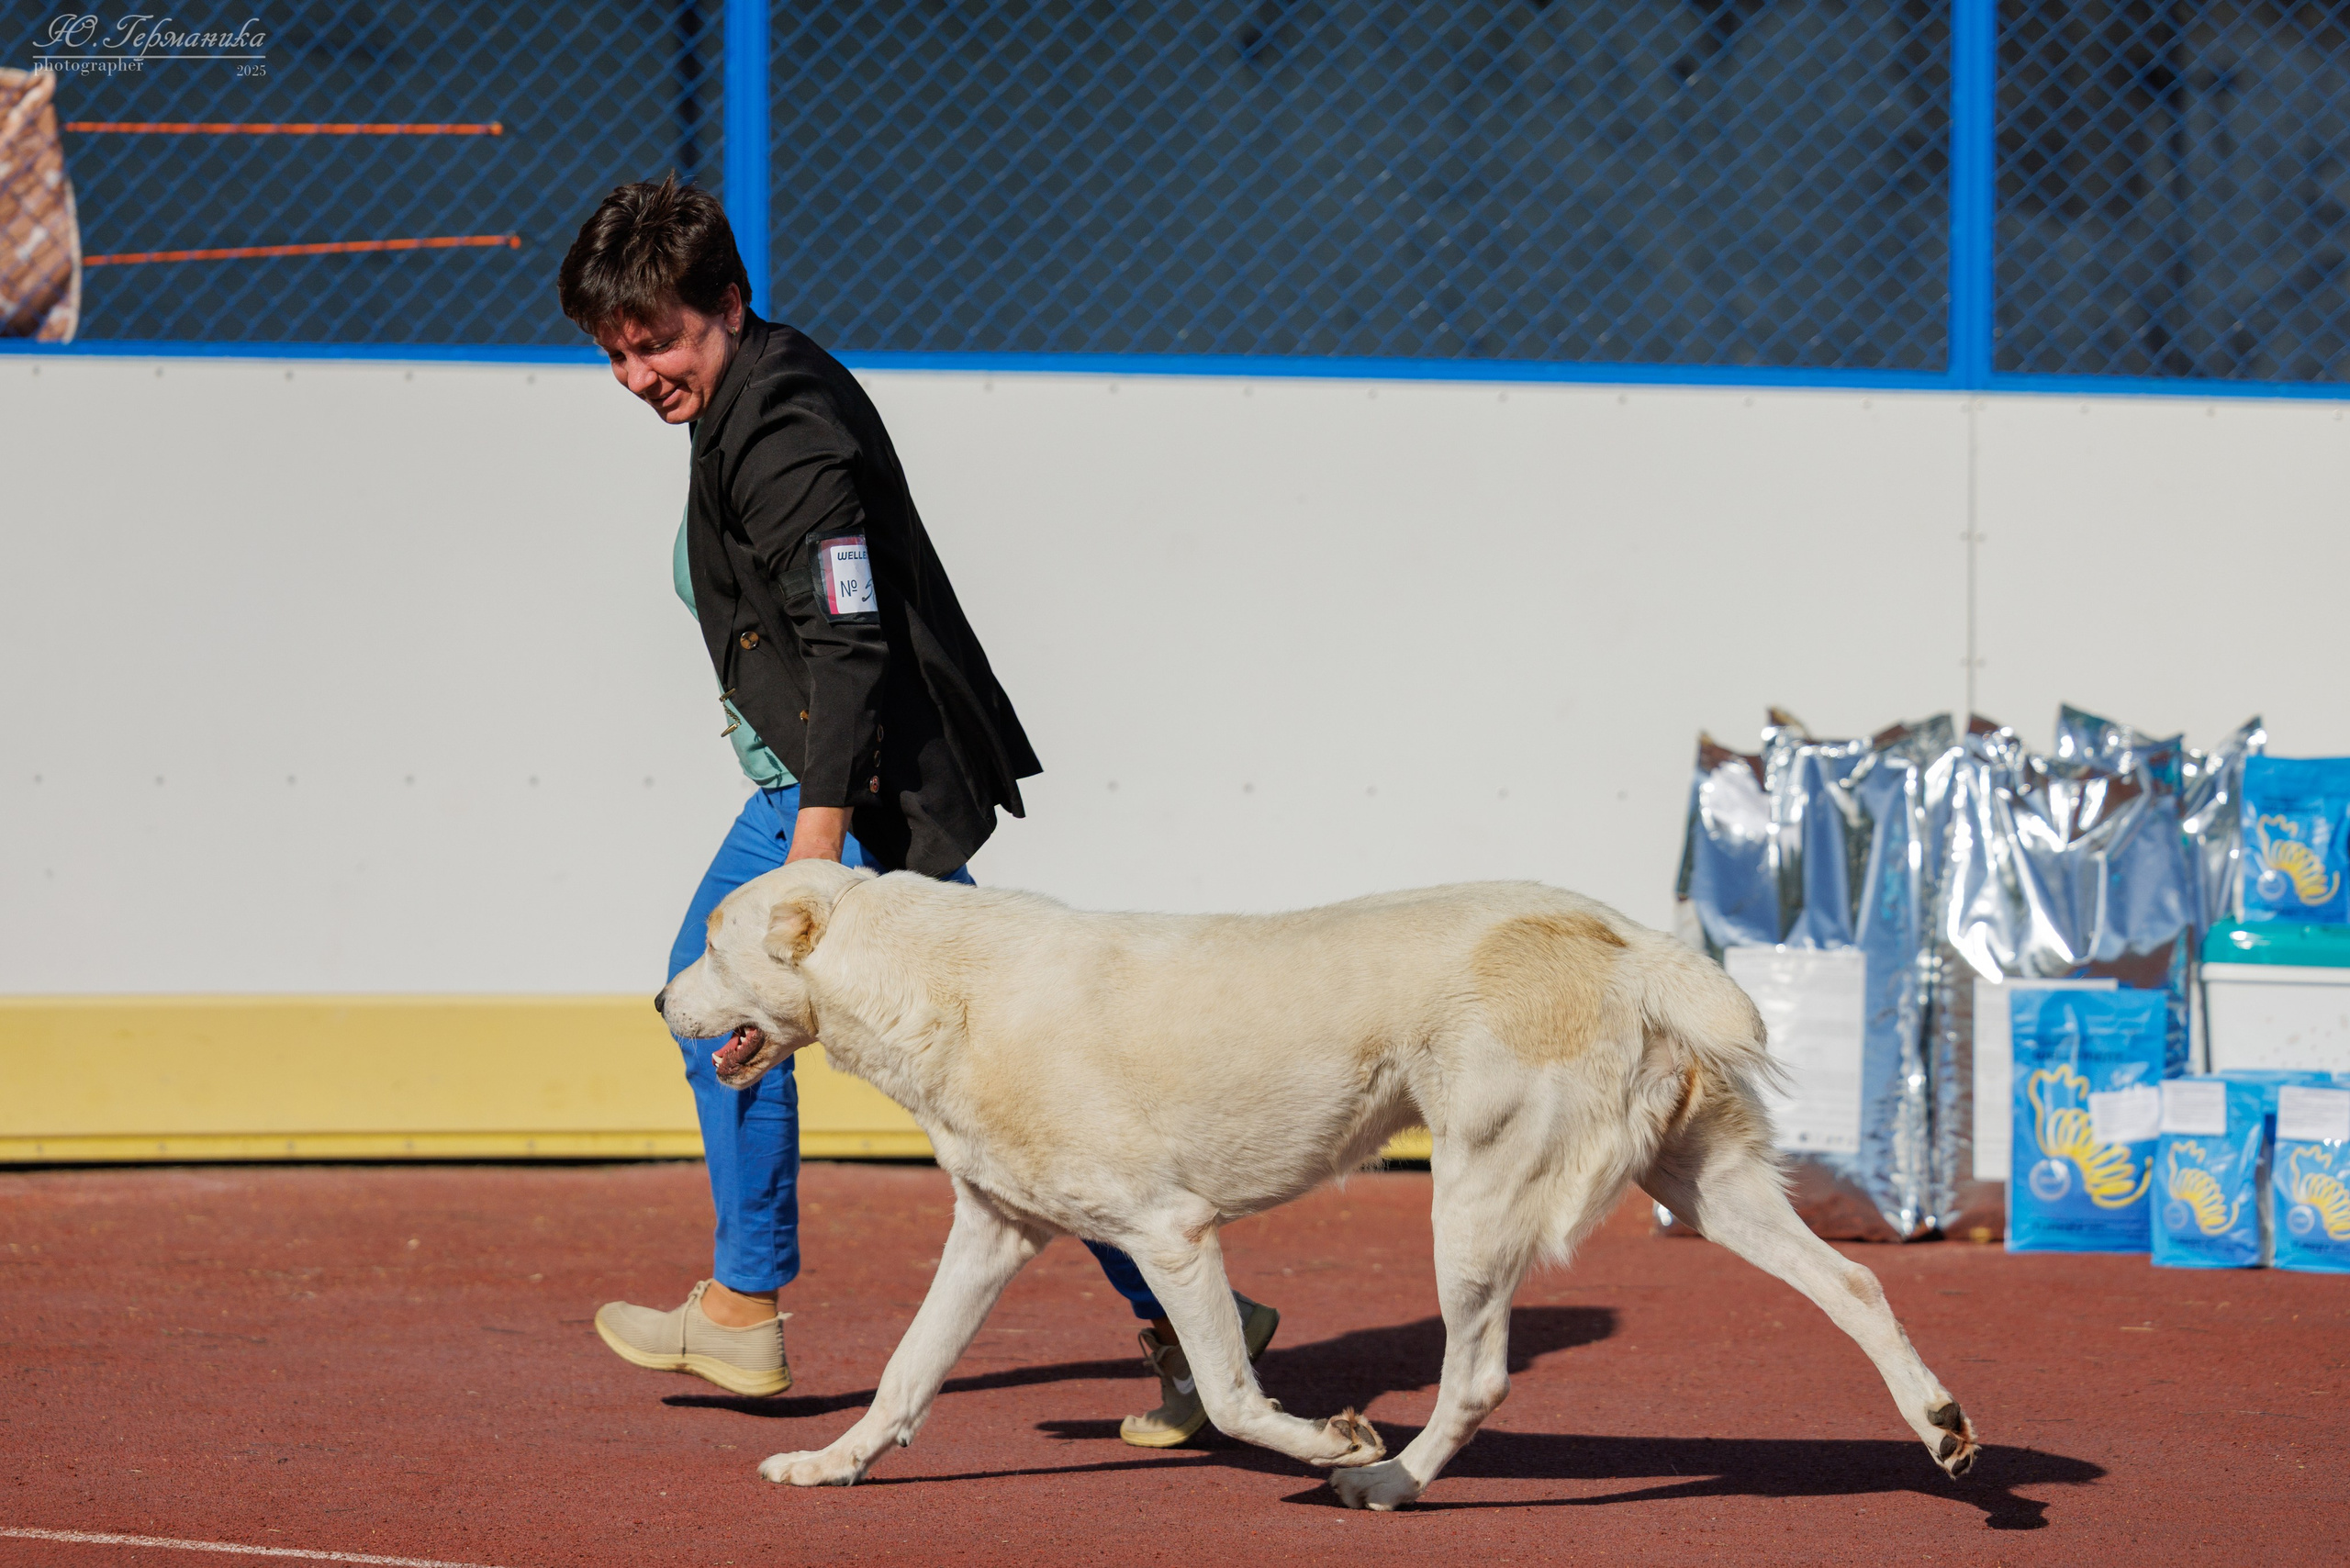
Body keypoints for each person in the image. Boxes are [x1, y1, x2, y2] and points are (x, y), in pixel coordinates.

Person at [554, 176, 1277, 1447]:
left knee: (725, 994)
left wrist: (817, 866)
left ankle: (743, 1301)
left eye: (656, 340)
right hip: (832, 781)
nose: (635, 373)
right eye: (614, 350)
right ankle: (1182, 1323)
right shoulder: (745, 394)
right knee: (1021, 1085)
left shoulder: (780, 424)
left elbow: (849, 644)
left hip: (843, 793)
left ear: (727, 304)